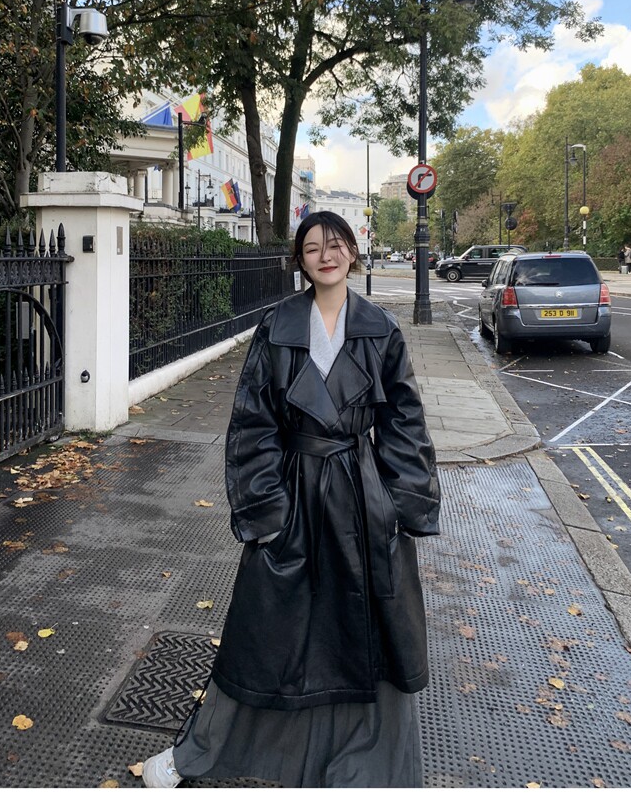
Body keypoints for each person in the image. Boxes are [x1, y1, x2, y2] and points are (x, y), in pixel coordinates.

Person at [142, 211, 440, 789]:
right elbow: (252, 425)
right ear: (300, 261)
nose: (326, 256)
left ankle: (363, 765)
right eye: (312, 248)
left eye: (336, 244)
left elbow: (404, 422)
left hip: (360, 501)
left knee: (370, 631)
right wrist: (265, 510)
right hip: (292, 497)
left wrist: (402, 504)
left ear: (352, 251)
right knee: (262, 633)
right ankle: (201, 750)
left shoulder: (380, 328)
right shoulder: (277, 325)